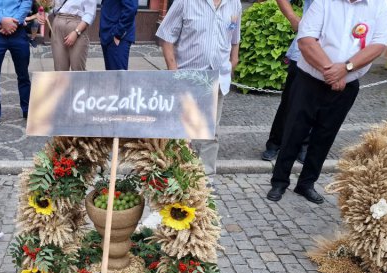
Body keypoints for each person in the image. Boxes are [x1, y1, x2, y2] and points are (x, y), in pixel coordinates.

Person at [267, 0, 387, 204]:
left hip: (346, 85)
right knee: (293, 131)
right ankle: (279, 181)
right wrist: (332, 72)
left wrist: (346, 68)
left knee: (325, 136)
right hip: (309, 80)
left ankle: (306, 183)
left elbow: (378, 45)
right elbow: (306, 40)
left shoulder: (379, 5)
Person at [156, 0, 241, 175]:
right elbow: (166, 36)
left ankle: (206, 179)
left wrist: (234, 60)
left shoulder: (235, 3)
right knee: (182, 132)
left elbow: (235, 36)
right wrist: (174, 72)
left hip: (217, 78)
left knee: (211, 132)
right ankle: (179, 177)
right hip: (188, 78)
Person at [261, 0, 313, 164]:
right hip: (304, 49)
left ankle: (304, 145)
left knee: (313, 105)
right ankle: (276, 142)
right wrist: (292, 17)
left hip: (331, 54)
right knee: (289, 101)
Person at [0, 0, 34, 132]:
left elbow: (27, 2)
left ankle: (28, 110)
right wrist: (2, 20)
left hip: (18, 30)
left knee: (23, 75)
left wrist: (14, 21)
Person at [48, 0, 96, 71]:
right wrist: (44, 10)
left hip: (77, 24)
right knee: (60, 68)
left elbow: (89, 14)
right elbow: (51, 7)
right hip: (58, 22)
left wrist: (76, 32)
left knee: (78, 68)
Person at [99, 0, 138, 71]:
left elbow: (131, 8)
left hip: (118, 38)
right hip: (108, 35)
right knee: (111, 77)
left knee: (118, 78)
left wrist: (118, 34)